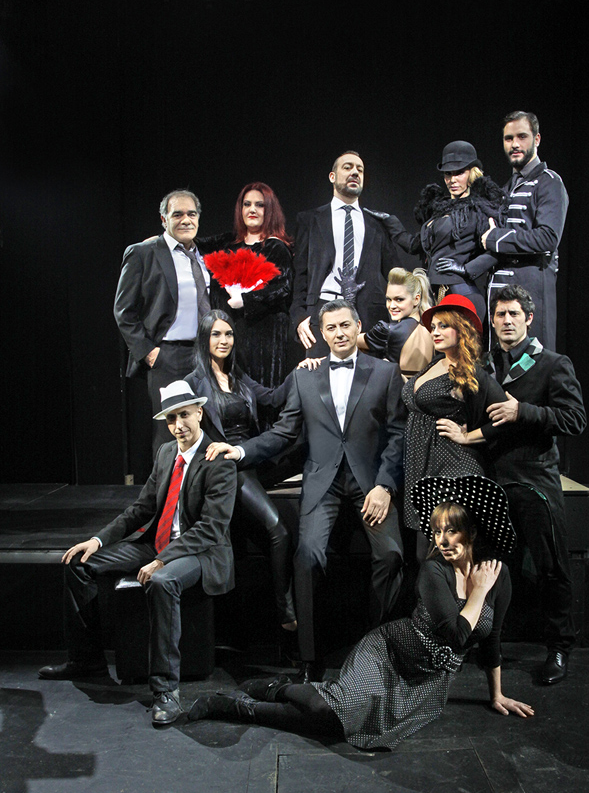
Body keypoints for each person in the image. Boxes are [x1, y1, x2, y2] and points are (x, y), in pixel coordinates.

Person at [186, 474, 534, 751]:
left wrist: (497, 695)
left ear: (471, 532)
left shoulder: (497, 574)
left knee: (334, 723)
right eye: (436, 531)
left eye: (451, 531)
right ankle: (247, 702)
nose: (441, 540)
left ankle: (266, 694)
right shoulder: (433, 572)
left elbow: (492, 638)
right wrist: (479, 591)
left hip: (424, 680)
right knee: (327, 711)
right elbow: (457, 634)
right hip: (388, 652)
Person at [207, 299, 406, 676]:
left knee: (392, 554)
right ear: (322, 334)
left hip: (370, 483)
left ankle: (378, 650)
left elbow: (398, 434)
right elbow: (284, 432)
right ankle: (310, 658)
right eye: (331, 328)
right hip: (323, 482)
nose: (339, 333)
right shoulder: (306, 377)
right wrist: (242, 450)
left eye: (345, 325)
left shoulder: (385, 372)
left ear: (358, 326)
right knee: (307, 556)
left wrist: (384, 486)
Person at [38, 381, 237, 726]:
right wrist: (97, 541)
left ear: (199, 412)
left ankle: (166, 691)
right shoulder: (166, 453)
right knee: (79, 563)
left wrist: (162, 560)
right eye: (171, 418)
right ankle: (86, 660)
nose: (178, 425)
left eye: (184, 415)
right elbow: (141, 508)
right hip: (156, 543)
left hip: (200, 551)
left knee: (162, 581)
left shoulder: (217, 460)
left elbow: (211, 528)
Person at [483, 284, 586, 684]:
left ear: (529, 318)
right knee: (495, 569)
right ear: (493, 321)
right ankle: (490, 645)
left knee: (551, 568)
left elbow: (574, 420)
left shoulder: (553, 363)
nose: (507, 321)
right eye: (500, 314)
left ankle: (559, 648)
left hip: (535, 481)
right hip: (494, 482)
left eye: (514, 314)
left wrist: (522, 411)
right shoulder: (486, 363)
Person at [183, 309, 297, 631]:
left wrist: (300, 371)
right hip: (228, 466)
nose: (224, 340)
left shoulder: (238, 376)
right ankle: (285, 610)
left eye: (229, 334)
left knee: (303, 449)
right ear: (204, 339)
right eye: (216, 334)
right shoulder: (193, 383)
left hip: (251, 457)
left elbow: (273, 398)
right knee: (278, 530)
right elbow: (189, 436)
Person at [401, 294, 506, 556]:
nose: (435, 332)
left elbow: (506, 419)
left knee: (441, 554)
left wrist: (468, 436)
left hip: (451, 468)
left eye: (443, 326)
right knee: (425, 555)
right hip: (422, 466)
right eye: (433, 327)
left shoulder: (472, 371)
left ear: (462, 329)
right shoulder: (436, 363)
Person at [114, 189, 212, 456]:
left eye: (191, 214)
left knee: (207, 427)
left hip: (206, 355)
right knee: (171, 432)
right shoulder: (143, 253)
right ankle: (167, 484)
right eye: (177, 214)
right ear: (163, 219)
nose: (186, 220)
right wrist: (149, 352)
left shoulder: (205, 255)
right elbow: (123, 311)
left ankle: (202, 482)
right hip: (168, 356)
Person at [472, 111, 569, 350]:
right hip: (500, 296)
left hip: (530, 295)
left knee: (532, 366)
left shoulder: (549, 182)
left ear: (537, 139)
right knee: (498, 366)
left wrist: (496, 238)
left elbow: (547, 238)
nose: (514, 144)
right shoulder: (507, 188)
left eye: (522, 136)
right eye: (509, 138)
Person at [384, 142, 508, 326]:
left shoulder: (479, 209)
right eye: (448, 174)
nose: (452, 180)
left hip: (461, 294)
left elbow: (497, 250)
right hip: (435, 294)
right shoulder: (440, 209)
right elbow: (413, 245)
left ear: (472, 173)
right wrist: (389, 221)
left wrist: (466, 269)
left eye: (459, 173)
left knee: (462, 346)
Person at [291, 151, 401, 357]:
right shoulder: (310, 220)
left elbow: (395, 274)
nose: (355, 173)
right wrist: (298, 316)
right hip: (321, 313)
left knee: (366, 377)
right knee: (320, 376)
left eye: (360, 170)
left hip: (368, 317)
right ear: (332, 177)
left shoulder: (377, 223)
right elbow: (300, 274)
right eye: (348, 167)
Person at [199, 182, 293, 392]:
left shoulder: (275, 247)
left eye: (260, 205)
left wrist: (246, 300)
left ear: (270, 210)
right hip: (230, 334)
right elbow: (192, 242)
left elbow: (283, 289)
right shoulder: (227, 244)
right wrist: (161, 240)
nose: (252, 210)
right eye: (247, 204)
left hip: (265, 337)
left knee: (263, 394)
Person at [357, 267, 435, 379]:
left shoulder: (387, 331)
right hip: (424, 388)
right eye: (389, 299)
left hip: (398, 389)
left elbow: (350, 340)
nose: (392, 306)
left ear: (416, 299)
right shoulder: (432, 328)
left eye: (399, 299)